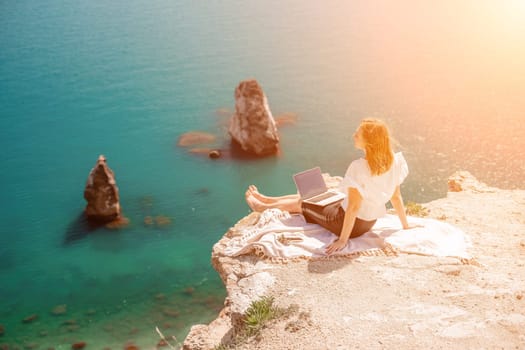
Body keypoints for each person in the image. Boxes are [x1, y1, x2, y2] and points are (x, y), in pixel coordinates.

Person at [245, 118, 411, 255]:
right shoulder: (394, 162)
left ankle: (261, 207)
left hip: (344, 223)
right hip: (368, 223)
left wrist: (343, 240)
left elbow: (353, 207)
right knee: (318, 195)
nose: (354, 136)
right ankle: (267, 200)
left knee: (303, 203)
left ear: (369, 142)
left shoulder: (358, 167)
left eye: (358, 134)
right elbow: (396, 197)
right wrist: (405, 225)